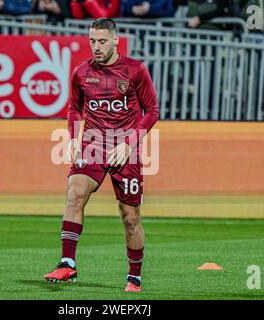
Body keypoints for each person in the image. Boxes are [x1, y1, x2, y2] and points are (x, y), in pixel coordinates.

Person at [44, 18, 159, 292]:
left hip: (125, 149)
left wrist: (130, 143)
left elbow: (152, 111)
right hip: (93, 144)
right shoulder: (81, 72)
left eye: (102, 41)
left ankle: (134, 276)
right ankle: (67, 263)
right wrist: (73, 137)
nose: (96, 46)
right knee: (75, 192)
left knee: (130, 217)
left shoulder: (135, 70)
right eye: (92, 41)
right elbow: (74, 107)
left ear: (116, 40)